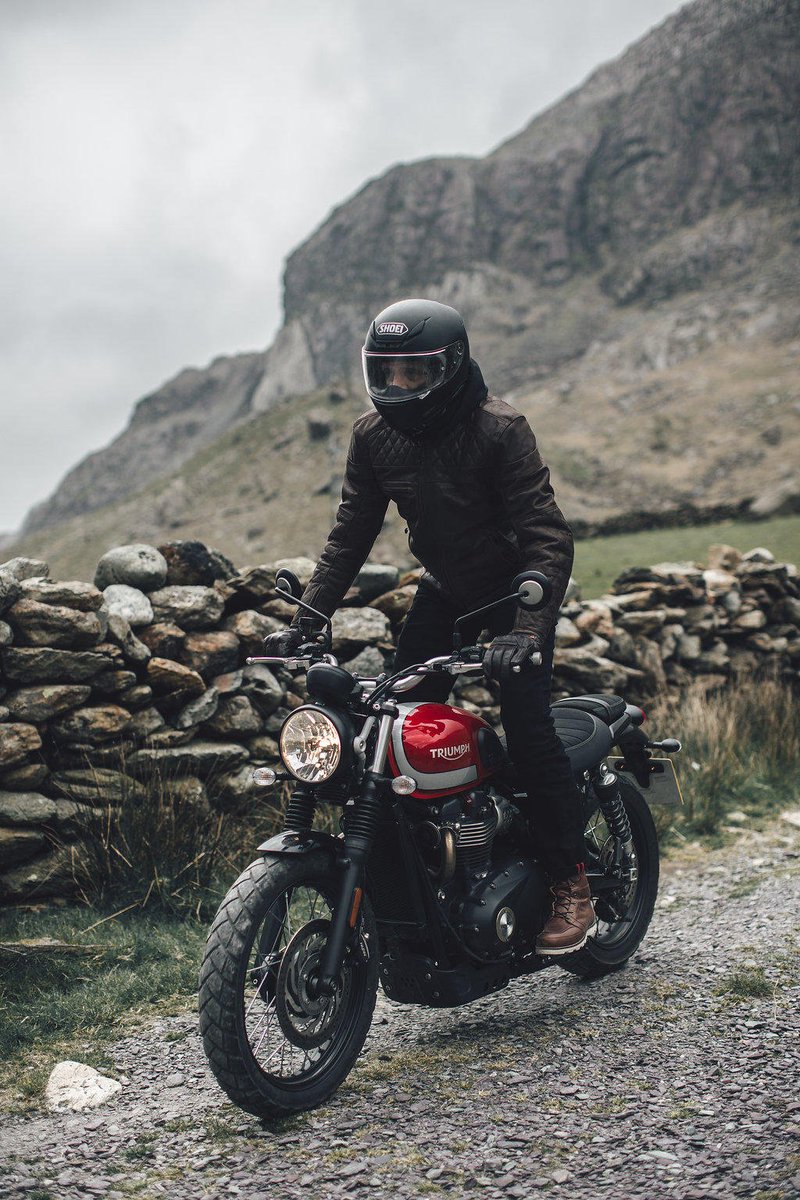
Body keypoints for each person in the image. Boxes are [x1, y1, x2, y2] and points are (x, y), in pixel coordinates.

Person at [264, 298, 596, 955]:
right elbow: (349, 535)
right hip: (444, 594)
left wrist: (527, 631)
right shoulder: (373, 437)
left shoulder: (500, 429)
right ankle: (435, 871)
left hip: (513, 599)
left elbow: (547, 538)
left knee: (528, 733)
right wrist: (308, 618)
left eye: (414, 374)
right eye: (386, 373)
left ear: (449, 367)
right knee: (395, 725)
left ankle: (569, 881)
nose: (399, 387)